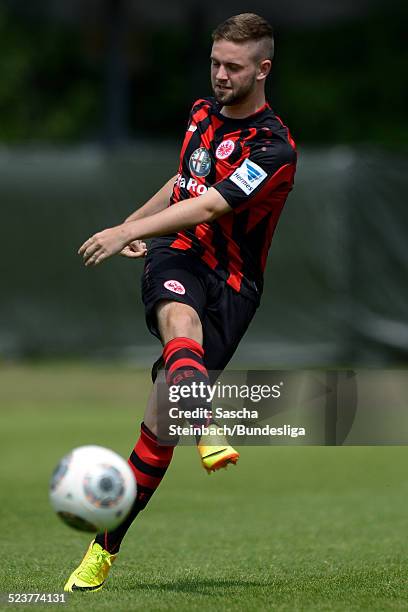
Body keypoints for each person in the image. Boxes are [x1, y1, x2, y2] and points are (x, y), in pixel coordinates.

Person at [64, 12, 297, 592]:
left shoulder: (274, 148)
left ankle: (104, 546)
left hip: (236, 286)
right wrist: (134, 224)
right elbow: (183, 185)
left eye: (233, 66)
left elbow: (213, 204)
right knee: (178, 320)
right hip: (179, 257)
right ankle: (208, 417)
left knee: (155, 432)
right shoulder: (200, 115)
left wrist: (120, 233)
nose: (220, 74)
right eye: (216, 62)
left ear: (262, 69)